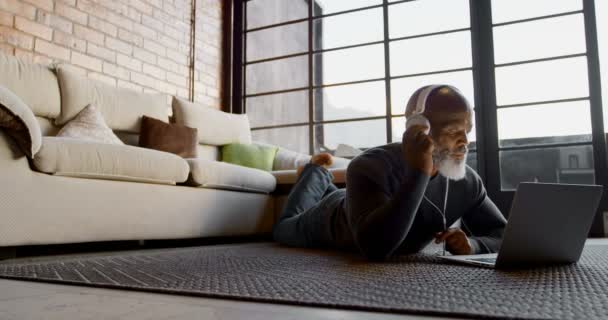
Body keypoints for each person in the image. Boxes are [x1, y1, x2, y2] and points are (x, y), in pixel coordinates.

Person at [272, 85, 507, 261]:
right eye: (454, 130)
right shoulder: (368, 165)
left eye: (467, 130)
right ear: (419, 128)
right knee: (283, 230)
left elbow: (503, 234)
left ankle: (325, 183)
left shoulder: (467, 182)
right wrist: (419, 171)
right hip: (331, 219)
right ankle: (316, 172)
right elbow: (376, 249)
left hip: (358, 201)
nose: (465, 141)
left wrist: (473, 246)